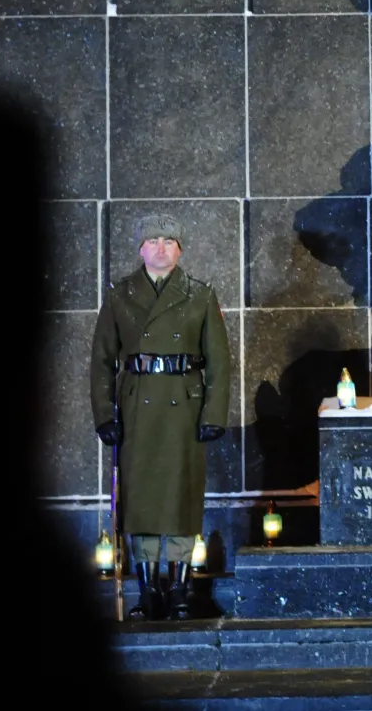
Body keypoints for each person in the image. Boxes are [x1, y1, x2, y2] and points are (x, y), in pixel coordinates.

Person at [90, 215, 231, 621]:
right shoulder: (120, 295)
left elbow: (219, 362)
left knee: (181, 496)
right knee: (144, 499)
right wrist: (104, 415)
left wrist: (213, 413)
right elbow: (101, 361)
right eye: (152, 240)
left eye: (169, 240)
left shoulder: (200, 295)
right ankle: (150, 587)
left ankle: (182, 586)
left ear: (180, 249)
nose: (161, 247)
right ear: (140, 248)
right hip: (138, 407)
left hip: (184, 406)